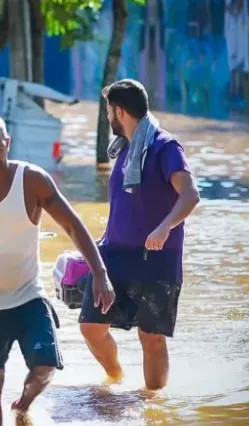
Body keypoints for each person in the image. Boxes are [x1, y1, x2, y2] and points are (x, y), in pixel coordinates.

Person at [0, 113, 116, 426]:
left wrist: (100, 272)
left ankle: (23, 405)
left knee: (45, 366)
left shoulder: (32, 180)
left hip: (28, 298)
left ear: (8, 144)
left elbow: (72, 225)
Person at [79, 79, 200, 390]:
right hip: (116, 256)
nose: (107, 118)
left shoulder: (165, 146)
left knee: (151, 337)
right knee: (91, 326)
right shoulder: (125, 149)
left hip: (155, 259)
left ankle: (152, 406)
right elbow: (126, 205)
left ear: (119, 111)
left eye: (108, 112)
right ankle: (115, 377)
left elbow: (190, 196)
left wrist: (164, 227)